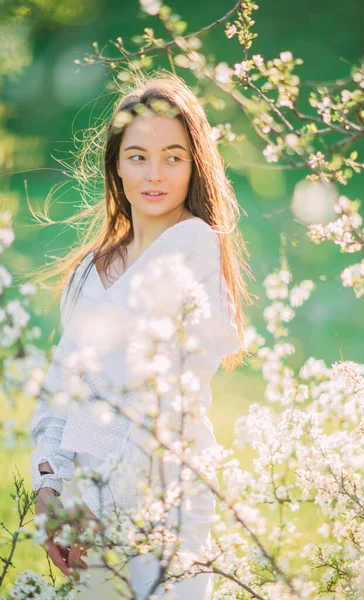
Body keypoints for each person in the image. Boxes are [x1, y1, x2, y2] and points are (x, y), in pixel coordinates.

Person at [29, 69, 252, 599]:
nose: (155, 174)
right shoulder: (91, 269)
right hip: (82, 493)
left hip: (162, 496)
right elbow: (62, 385)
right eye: (138, 156)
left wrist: (100, 508)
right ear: (116, 165)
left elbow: (166, 399)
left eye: (173, 157)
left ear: (195, 165)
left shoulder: (193, 245)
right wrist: (49, 485)